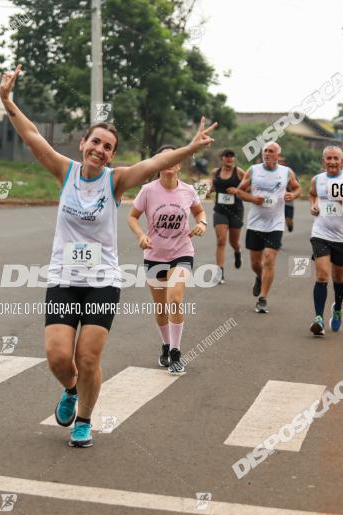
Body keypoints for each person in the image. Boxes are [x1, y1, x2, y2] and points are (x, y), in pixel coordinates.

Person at [0, 64, 217, 448]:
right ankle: (70, 391)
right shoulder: (64, 171)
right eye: (95, 142)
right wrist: (6, 99)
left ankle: (84, 420)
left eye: (108, 147)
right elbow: (32, 136)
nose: (100, 150)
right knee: (57, 356)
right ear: (83, 143)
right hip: (65, 280)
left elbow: (153, 164)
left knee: (87, 358)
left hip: (102, 283)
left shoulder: (114, 181)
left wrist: (191, 147)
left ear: (112, 155)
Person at [128, 145, 206, 375]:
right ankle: (165, 344)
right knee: (161, 305)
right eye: (164, 158)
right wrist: (141, 235)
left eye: (174, 158)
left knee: (174, 298)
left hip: (181, 252)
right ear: (158, 163)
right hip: (154, 255)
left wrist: (201, 223)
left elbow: (200, 212)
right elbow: (132, 217)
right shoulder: (148, 191)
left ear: (179, 163)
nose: (170, 162)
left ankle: (175, 352)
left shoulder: (188, 190)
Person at [234, 142, 302, 313]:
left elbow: (298, 188)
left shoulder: (286, 172)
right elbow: (239, 191)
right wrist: (252, 199)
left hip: (275, 223)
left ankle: (262, 298)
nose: (267, 154)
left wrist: (292, 194)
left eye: (271, 151)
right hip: (255, 222)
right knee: (256, 263)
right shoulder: (253, 170)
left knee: (269, 259)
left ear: (277, 155)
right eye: (265, 151)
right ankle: (259, 277)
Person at [307, 146, 343, 336]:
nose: (332, 162)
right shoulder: (317, 180)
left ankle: (337, 307)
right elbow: (312, 194)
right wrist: (313, 205)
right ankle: (318, 319)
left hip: (342, 237)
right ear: (323, 160)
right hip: (320, 234)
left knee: (339, 278)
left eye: (336, 158)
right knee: (322, 276)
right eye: (329, 158)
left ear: (342, 161)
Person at [210, 149, 244, 283]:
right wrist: (207, 191)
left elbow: (250, 187)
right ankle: (219, 273)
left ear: (234, 159)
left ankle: (237, 251)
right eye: (226, 156)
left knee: (233, 242)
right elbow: (213, 186)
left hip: (236, 211)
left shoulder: (239, 172)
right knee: (221, 241)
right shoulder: (215, 172)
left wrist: (237, 190)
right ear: (222, 158)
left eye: (231, 156)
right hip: (220, 210)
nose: (229, 159)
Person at [279, 154, 297, 233]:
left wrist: (291, 192)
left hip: (287, 201)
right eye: (278, 161)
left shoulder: (289, 172)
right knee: (277, 221)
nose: (280, 163)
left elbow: (296, 188)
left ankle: (290, 225)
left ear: (285, 163)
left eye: (281, 161)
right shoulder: (271, 171)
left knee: (288, 221)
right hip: (276, 202)